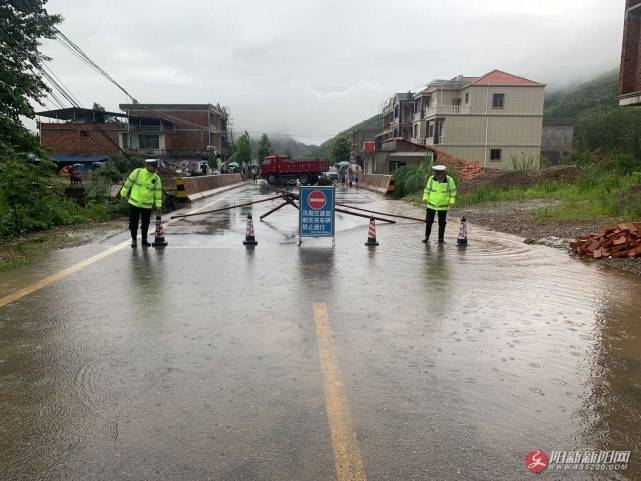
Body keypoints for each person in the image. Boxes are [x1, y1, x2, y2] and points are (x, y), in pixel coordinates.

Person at [121, 159, 163, 248]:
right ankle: (134, 240)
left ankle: (144, 240)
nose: (155, 169)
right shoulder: (137, 172)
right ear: (147, 165)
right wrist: (123, 194)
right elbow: (128, 183)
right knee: (133, 222)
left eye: (156, 167)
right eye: (153, 167)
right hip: (134, 202)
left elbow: (158, 193)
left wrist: (158, 205)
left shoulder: (156, 178)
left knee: (145, 223)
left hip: (147, 205)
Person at [422, 164, 456, 243]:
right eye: (435, 174)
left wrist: (452, 201)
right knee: (428, 221)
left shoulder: (449, 180)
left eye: (438, 174)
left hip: (443, 206)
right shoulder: (431, 179)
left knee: (442, 222)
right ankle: (426, 237)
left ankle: (441, 239)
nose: (437, 177)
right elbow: (427, 189)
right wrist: (425, 197)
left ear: (443, 173)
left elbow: (453, 192)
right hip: (431, 204)